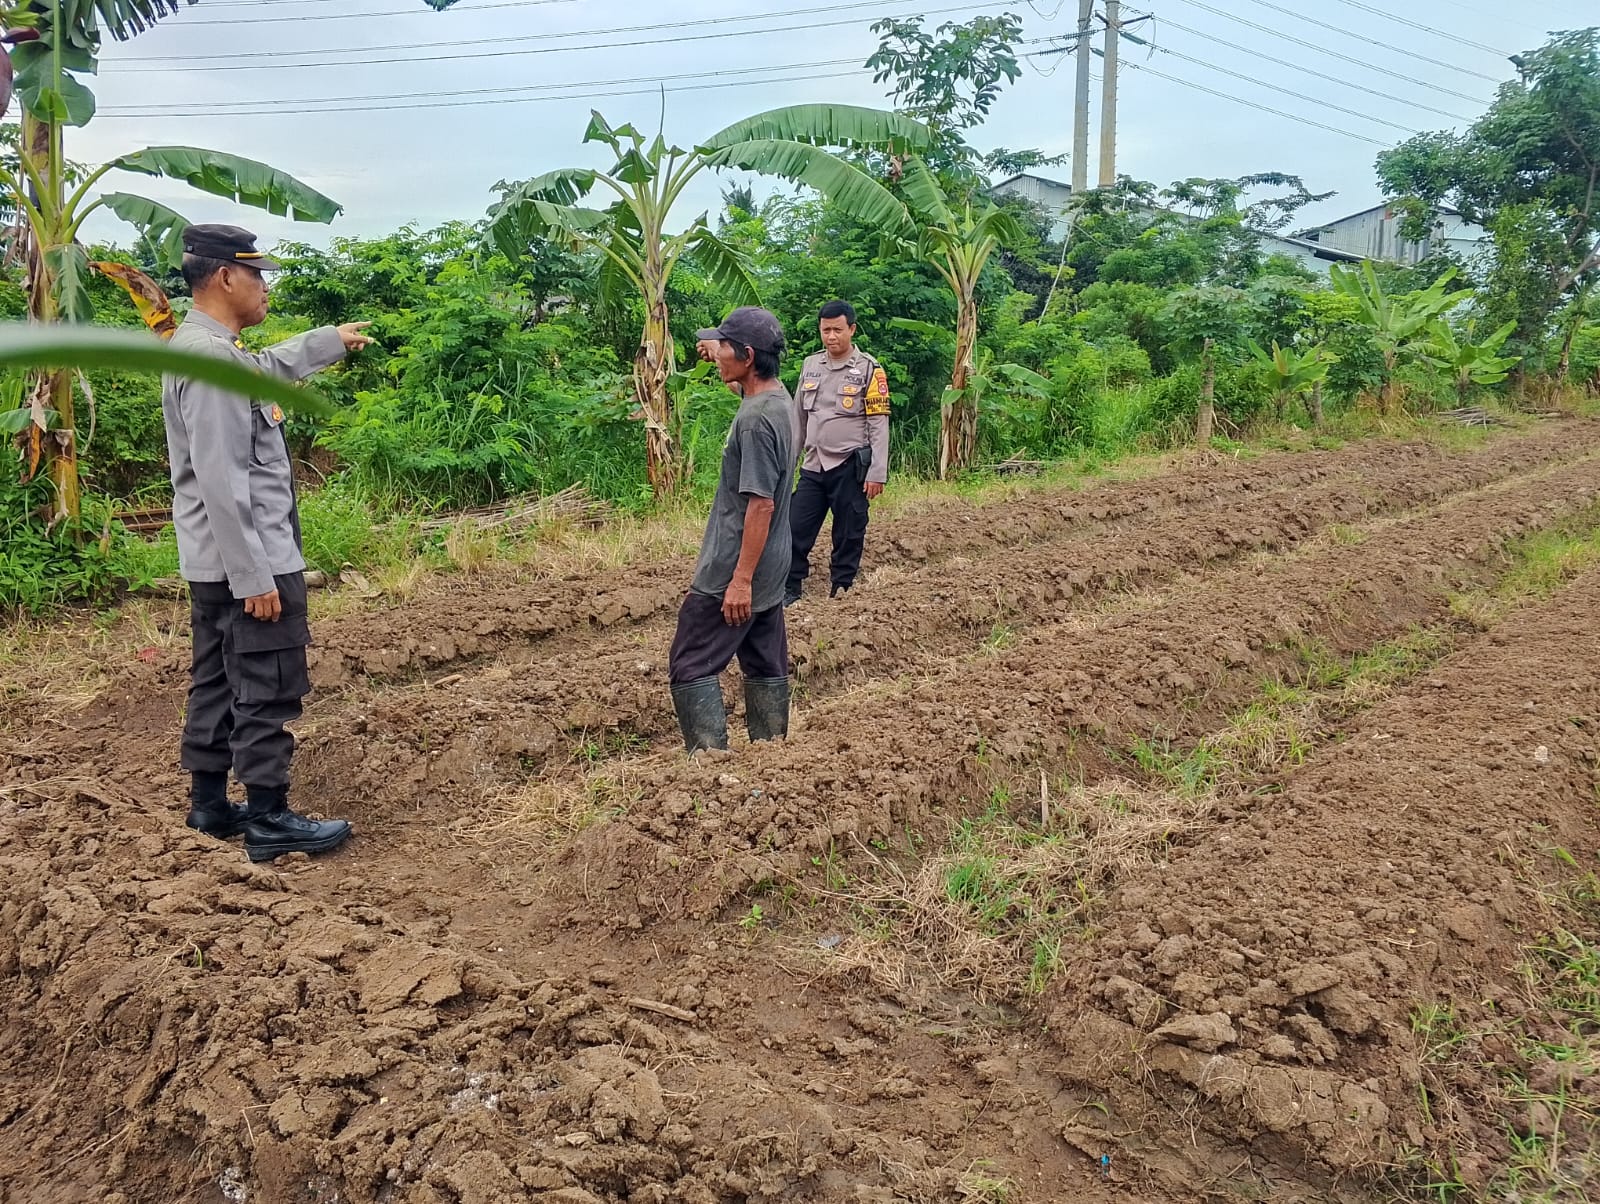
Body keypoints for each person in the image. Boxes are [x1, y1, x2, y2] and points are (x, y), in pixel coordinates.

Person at [162, 223, 373, 863]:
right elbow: (223, 481)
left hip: (215, 563)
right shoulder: (211, 363)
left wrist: (324, 342)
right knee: (265, 684)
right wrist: (254, 576)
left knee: (216, 681)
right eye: (258, 276)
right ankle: (269, 819)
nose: (266, 289)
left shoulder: (208, 351)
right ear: (226, 277)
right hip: (249, 561)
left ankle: (209, 805)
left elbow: (262, 372)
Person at [669, 307, 797, 752]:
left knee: (690, 662)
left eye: (724, 347)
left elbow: (761, 504)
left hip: (735, 563)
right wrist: (721, 357)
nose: (717, 354)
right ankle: (770, 752)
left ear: (747, 356)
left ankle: (709, 766)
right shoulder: (779, 400)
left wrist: (739, 580)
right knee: (763, 658)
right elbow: (746, 391)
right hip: (773, 561)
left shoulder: (755, 421)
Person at [784, 300, 890, 605]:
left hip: (848, 465)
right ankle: (790, 587)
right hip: (814, 464)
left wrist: (877, 472)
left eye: (837, 330)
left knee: (848, 531)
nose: (831, 336)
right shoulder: (810, 365)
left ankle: (842, 586)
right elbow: (798, 419)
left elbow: (878, 424)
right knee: (795, 527)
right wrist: (789, 464)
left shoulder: (869, 369)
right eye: (826, 330)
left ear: (852, 329)